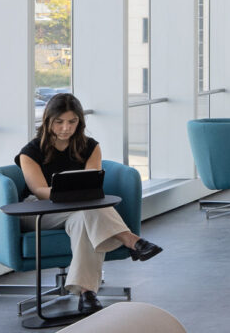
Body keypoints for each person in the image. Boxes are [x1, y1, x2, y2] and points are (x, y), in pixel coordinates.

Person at [17, 93, 162, 315]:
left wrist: (78, 195)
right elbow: (39, 191)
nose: (66, 128)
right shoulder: (30, 152)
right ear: (48, 121)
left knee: (84, 220)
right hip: (39, 211)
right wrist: (73, 194)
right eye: (59, 122)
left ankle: (86, 293)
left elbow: (92, 182)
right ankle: (130, 239)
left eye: (72, 122)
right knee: (89, 209)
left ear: (80, 122)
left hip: (80, 209)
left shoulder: (90, 147)